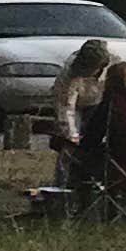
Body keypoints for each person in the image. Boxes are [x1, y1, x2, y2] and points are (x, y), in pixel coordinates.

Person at [49, 39, 113, 184]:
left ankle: (94, 180)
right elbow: (66, 105)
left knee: (97, 144)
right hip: (76, 105)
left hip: (100, 103)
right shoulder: (69, 71)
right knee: (68, 147)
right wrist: (71, 135)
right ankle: (62, 183)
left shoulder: (115, 64)